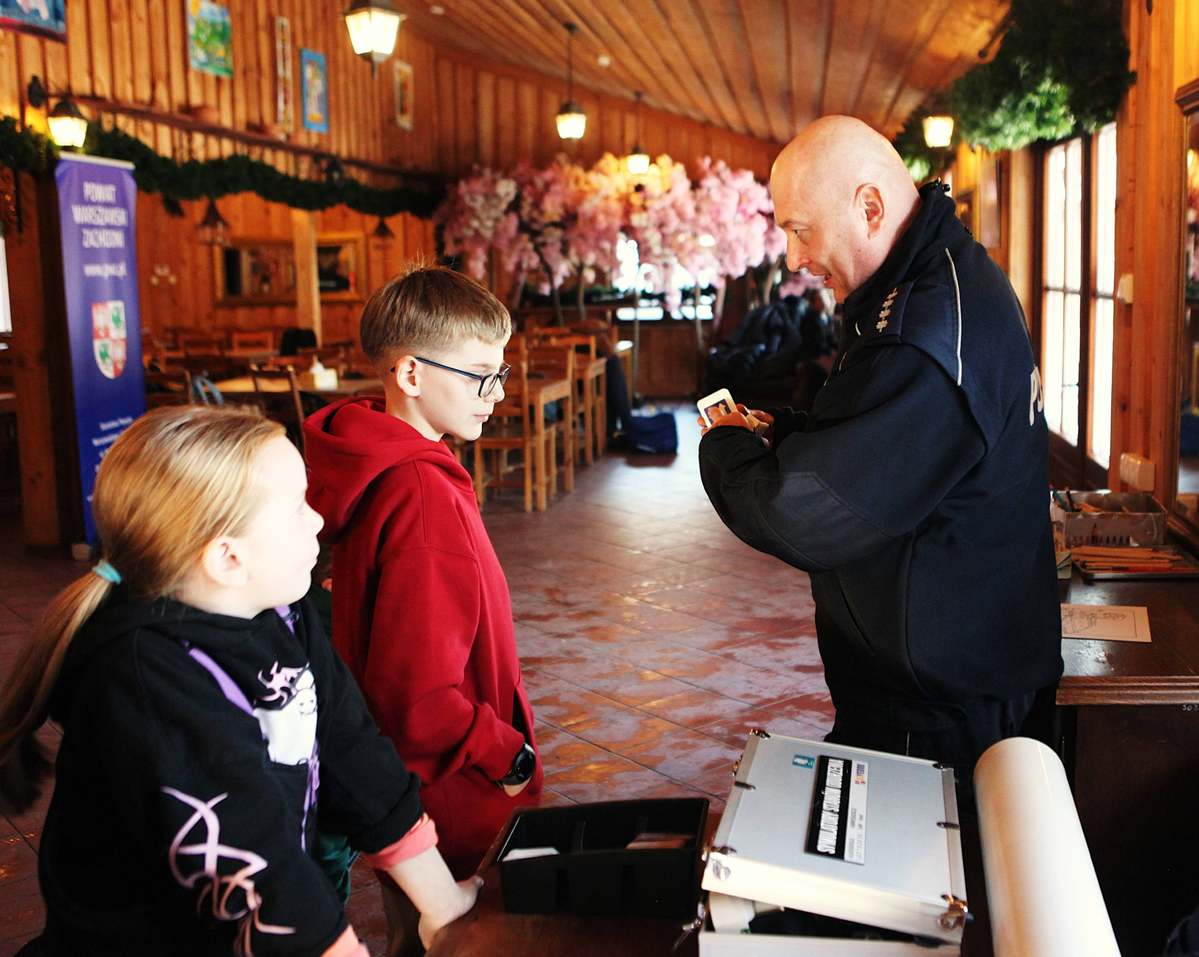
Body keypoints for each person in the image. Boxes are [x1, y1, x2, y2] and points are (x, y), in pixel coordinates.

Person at [0, 405, 479, 956]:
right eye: (298, 507)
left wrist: (443, 905)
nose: (318, 520)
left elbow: (353, 751)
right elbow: (252, 852)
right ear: (228, 558)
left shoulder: (280, 610)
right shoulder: (147, 679)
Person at [698, 115, 1062, 774]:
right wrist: (782, 430)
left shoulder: (923, 332)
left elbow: (802, 511)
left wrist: (723, 445)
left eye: (800, 229)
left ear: (869, 208)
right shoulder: (937, 275)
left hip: (942, 704)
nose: (793, 259)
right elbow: (879, 436)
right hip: (940, 676)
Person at [304, 265, 542, 886]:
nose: (496, 394)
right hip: (454, 793)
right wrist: (506, 753)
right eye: (480, 375)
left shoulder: (377, 459)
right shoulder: (419, 493)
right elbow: (420, 700)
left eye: (500, 374)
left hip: (406, 786)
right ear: (411, 374)